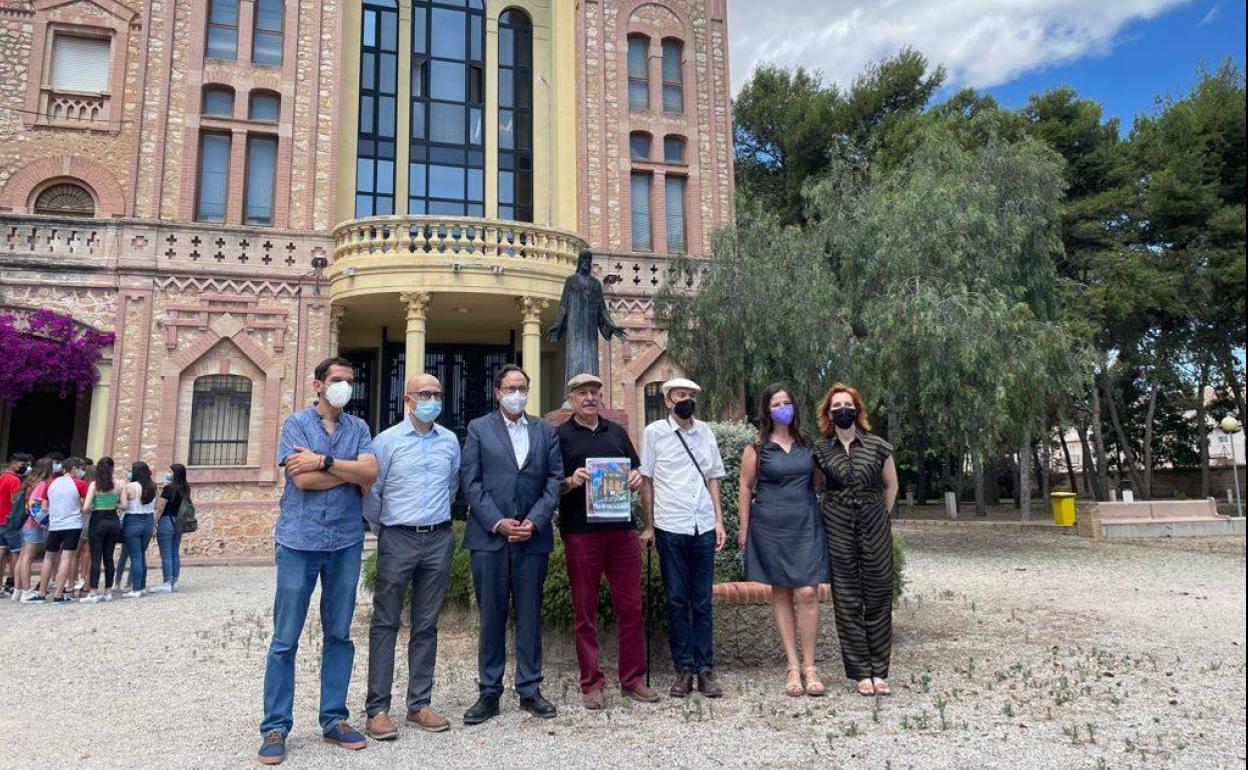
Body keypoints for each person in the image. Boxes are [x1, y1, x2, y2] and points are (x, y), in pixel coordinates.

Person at [258, 356, 378, 765]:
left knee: (340, 634)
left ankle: (334, 719)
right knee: (285, 638)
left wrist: (324, 461)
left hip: (345, 542)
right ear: (318, 385)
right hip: (299, 541)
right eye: (338, 380)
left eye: (350, 379)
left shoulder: (359, 428)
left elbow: (370, 473)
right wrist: (347, 472)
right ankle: (275, 725)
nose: (345, 386)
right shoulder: (296, 424)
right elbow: (302, 480)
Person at [459, 364, 562, 725]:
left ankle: (530, 689)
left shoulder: (545, 430)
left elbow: (554, 480)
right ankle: (489, 691)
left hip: (532, 538)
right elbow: (470, 482)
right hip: (490, 538)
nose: (517, 393)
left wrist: (534, 520)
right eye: (510, 387)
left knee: (530, 615)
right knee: (491, 616)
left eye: (523, 387)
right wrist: (499, 522)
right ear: (498, 392)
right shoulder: (478, 429)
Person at [363, 373, 461, 740]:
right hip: (397, 537)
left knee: (426, 624)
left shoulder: (450, 441)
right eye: (424, 393)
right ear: (408, 399)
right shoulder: (385, 441)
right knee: (385, 622)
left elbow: (451, 486)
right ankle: (378, 711)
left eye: (436, 393)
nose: (431, 399)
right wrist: (385, 528)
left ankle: (419, 704)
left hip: (438, 538)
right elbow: (372, 493)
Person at [555, 373, 658, 709]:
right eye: (583, 392)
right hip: (581, 533)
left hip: (621, 531)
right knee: (585, 610)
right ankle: (592, 683)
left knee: (631, 607)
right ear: (570, 398)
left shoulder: (616, 432)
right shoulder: (559, 436)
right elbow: (549, 485)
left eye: (595, 392)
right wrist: (571, 480)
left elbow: (639, 477)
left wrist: (647, 520)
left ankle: (632, 679)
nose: (590, 398)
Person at [639, 377, 727, 698]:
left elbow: (714, 478)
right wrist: (649, 525)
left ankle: (705, 669)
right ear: (667, 400)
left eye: (691, 395)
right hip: (670, 525)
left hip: (702, 524)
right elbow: (646, 481)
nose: (686, 399)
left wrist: (719, 520)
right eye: (680, 395)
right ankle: (684, 668)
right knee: (677, 600)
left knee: (702, 601)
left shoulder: (705, 432)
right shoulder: (654, 434)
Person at [737, 384, 828, 697]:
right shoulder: (757, 447)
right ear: (767, 409)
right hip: (769, 526)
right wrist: (744, 531)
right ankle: (792, 665)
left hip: (805, 523)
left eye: (787, 402)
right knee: (781, 593)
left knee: (807, 592)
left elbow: (819, 481)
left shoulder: (807, 444)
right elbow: (746, 488)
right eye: (776, 403)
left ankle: (811, 666)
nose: (782, 407)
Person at [812, 383, 900, 697]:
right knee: (847, 598)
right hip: (837, 524)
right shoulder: (821, 450)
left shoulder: (878, 446)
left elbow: (891, 486)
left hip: (874, 522)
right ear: (828, 413)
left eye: (847, 404)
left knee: (878, 593)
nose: (842, 410)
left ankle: (880, 669)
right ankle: (861, 671)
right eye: (836, 406)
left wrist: (881, 515)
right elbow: (817, 487)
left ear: (857, 409)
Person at [80, 457, 126, 604]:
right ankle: (107, 590)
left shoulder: (94, 485)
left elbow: (86, 507)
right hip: (112, 519)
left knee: (96, 557)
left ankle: (93, 590)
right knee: (108, 556)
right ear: (112, 468)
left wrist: (96, 505)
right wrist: (113, 503)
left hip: (98, 519)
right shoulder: (119, 484)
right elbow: (124, 505)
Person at [41, 457, 85, 604]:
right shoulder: (80, 484)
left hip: (55, 524)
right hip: (72, 524)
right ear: (73, 469)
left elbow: (44, 507)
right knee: (66, 557)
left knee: (49, 558)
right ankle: (58, 594)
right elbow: (85, 504)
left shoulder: (50, 484)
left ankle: (41, 592)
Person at [16, 457, 53, 603]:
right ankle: (26, 591)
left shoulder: (30, 482)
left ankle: (18, 590)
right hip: (34, 525)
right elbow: (33, 503)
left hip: (26, 524)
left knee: (22, 557)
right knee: (28, 558)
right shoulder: (42, 484)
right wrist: (43, 518)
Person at [150, 463, 191, 593]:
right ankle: (174, 581)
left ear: (175, 473)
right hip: (178, 522)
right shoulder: (185, 488)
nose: (167, 473)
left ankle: (167, 582)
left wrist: (153, 524)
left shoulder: (169, 489)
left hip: (167, 521)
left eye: (169, 471)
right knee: (174, 552)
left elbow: (159, 507)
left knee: (166, 553)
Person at [119, 462, 158, 598]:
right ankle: (141, 586)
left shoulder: (130, 487)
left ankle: (135, 588)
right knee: (141, 554)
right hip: (148, 521)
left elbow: (123, 505)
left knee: (135, 556)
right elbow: (156, 505)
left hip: (132, 521)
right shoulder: (153, 487)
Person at [0, 453, 32, 598]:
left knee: (1, 552)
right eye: (22, 465)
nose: (24, 468)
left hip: (1, 519)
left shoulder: (1, 476)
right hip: (10, 521)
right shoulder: (14, 480)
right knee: (15, 552)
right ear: (13, 463)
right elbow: (17, 501)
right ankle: (11, 582)